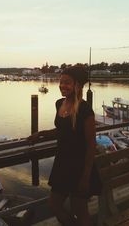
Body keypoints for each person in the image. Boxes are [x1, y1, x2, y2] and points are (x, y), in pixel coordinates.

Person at [29, 65, 101, 226]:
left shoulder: (85, 110)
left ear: (77, 85)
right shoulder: (59, 103)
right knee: (54, 205)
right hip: (62, 163)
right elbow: (61, 130)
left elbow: (91, 146)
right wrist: (40, 134)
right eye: (61, 82)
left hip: (80, 166)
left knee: (79, 210)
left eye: (67, 82)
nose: (62, 86)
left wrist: (85, 177)